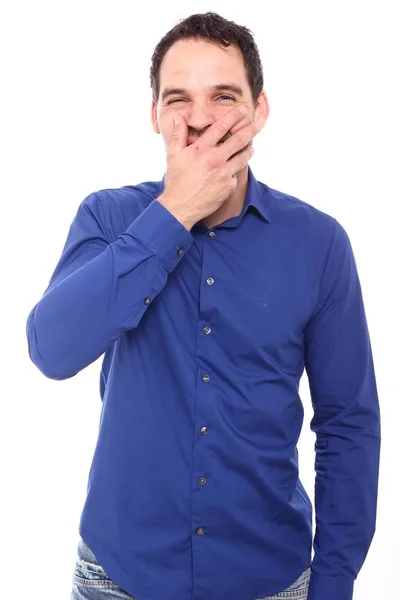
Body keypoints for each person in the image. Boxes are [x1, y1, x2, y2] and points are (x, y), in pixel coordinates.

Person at [26, 11, 381, 600]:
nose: (197, 119)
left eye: (224, 96)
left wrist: (335, 582)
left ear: (260, 110)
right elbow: (51, 350)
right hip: (118, 578)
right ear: (154, 116)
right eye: (177, 99)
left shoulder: (320, 244)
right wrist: (173, 214)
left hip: (272, 579)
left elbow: (348, 424)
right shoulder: (108, 217)